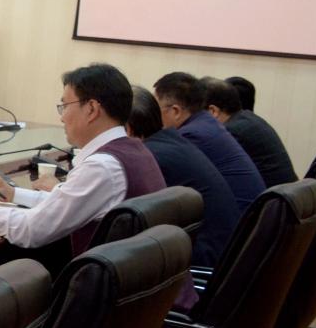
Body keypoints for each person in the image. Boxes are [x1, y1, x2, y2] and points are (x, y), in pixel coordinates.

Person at [0, 64, 164, 254]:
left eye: (65, 106)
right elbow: (68, 203)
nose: (61, 117)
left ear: (91, 109)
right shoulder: (134, 150)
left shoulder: (103, 167)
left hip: (104, 287)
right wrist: (14, 194)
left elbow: (30, 230)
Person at [126, 86, 239, 271]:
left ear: (127, 129)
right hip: (225, 251)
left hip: (205, 262)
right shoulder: (170, 140)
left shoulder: (150, 157)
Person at [153, 72, 264, 213]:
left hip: (239, 219)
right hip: (249, 214)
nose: (153, 116)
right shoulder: (207, 122)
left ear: (176, 111)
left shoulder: (191, 135)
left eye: (156, 110)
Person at [202, 77, 296, 189]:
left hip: (269, 197)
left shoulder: (231, 132)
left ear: (212, 111)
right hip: (285, 195)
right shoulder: (248, 117)